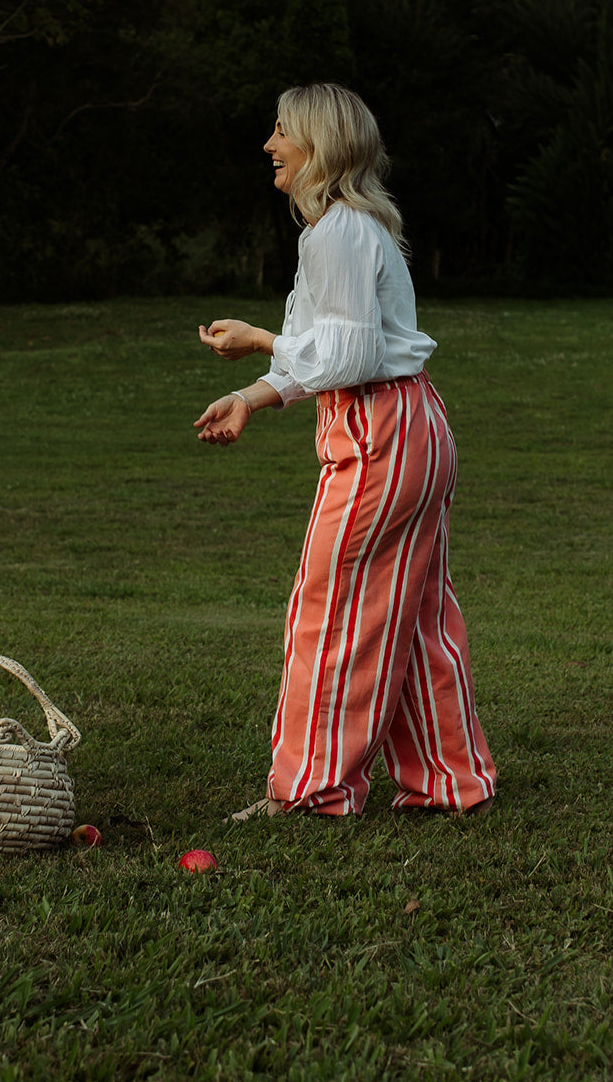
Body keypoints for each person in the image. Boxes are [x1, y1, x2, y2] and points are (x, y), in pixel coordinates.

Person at [194, 83, 496, 818]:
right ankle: (450, 782)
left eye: (282, 131)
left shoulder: (337, 232)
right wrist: (252, 396)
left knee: (329, 612)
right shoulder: (348, 227)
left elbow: (349, 358)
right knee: (415, 615)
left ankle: (311, 790)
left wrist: (260, 339)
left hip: (376, 434)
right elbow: (327, 345)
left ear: (318, 145)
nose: (269, 144)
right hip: (411, 423)